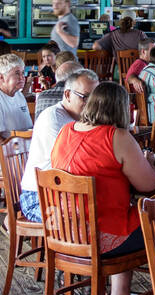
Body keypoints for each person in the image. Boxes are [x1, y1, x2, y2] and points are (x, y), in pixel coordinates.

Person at [51, 81, 155, 295]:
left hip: (64, 231)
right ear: (123, 108)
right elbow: (149, 184)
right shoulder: (117, 137)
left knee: (128, 213)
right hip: (100, 237)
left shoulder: (67, 130)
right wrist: (149, 163)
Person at [19, 68, 99, 222]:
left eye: (95, 98)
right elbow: (68, 166)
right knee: (86, 220)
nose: (92, 104)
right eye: (85, 97)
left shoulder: (84, 118)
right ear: (68, 95)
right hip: (38, 197)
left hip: (64, 192)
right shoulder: (53, 119)